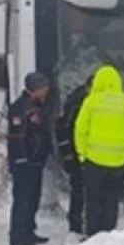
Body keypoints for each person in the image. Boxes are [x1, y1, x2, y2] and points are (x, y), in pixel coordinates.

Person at [73, 65, 124, 237]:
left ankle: (93, 233)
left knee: (93, 199)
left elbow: (80, 129)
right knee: (111, 199)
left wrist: (82, 154)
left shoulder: (91, 101)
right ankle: (108, 233)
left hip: (94, 160)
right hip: (118, 161)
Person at [6, 72, 53, 245]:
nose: (46, 92)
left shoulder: (36, 106)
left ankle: (28, 230)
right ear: (35, 88)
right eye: (43, 88)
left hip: (35, 161)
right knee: (23, 199)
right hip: (25, 163)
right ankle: (18, 237)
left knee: (33, 199)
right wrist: (21, 160)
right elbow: (17, 137)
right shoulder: (21, 108)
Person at [54, 75, 93, 234]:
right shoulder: (80, 102)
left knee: (81, 190)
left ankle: (80, 223)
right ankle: (76, 225)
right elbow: (64, 127)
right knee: (79, 190)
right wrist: (68, 154)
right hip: (78, 154)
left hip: (82, 152)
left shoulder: (82, 99)